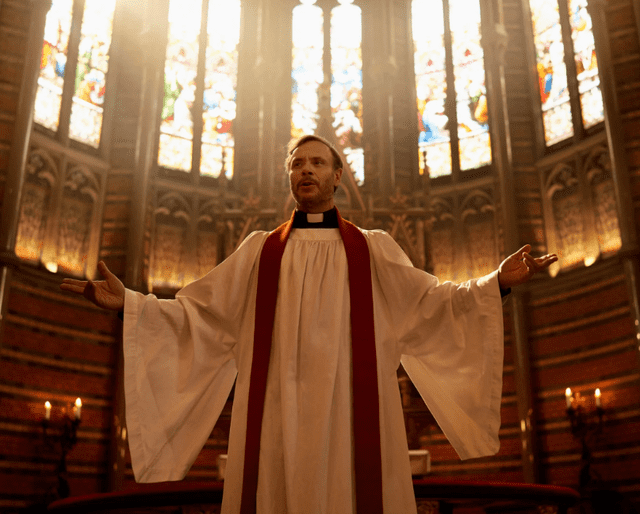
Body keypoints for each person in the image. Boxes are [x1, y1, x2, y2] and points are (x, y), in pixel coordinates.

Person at [61, 134, 557, 514]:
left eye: (318, 162)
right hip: (276, 413)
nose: (306, 170)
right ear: (289, 178)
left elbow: (432, 304)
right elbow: (199, 316)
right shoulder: (258, 251)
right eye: (297, 163)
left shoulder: (374, 248)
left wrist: (495, 282)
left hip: (354, 415)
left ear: (338, 176)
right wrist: (130, 303)